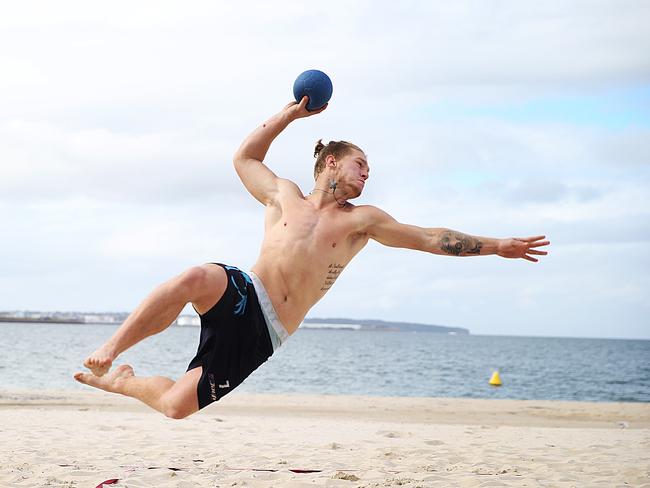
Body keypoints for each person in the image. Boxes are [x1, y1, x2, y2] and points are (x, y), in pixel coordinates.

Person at [74, 97, 550, 419]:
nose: (367, 175)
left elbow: (428, 237)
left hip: (268, 330)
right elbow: (243, 160)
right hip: (245, 290)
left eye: (369, 171)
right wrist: (288, 116)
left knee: (178, 406)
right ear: (332, 163)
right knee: (196, 275)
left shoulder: (361, 220)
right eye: (361, 165)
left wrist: (496, 245)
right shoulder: (284, 195)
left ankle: (121, 383)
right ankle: (114, 347)